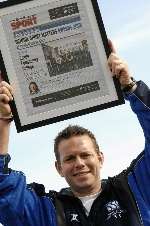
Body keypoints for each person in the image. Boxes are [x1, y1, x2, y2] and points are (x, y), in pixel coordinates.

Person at [0, 42, 150, 226]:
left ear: (100, 158)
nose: (79, 163)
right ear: (59, 167)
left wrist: (130, 87)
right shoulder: (46, 213)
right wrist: (2, 121)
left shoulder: (136, 189)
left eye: (85, 155)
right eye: (69, 159)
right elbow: (4, 192)